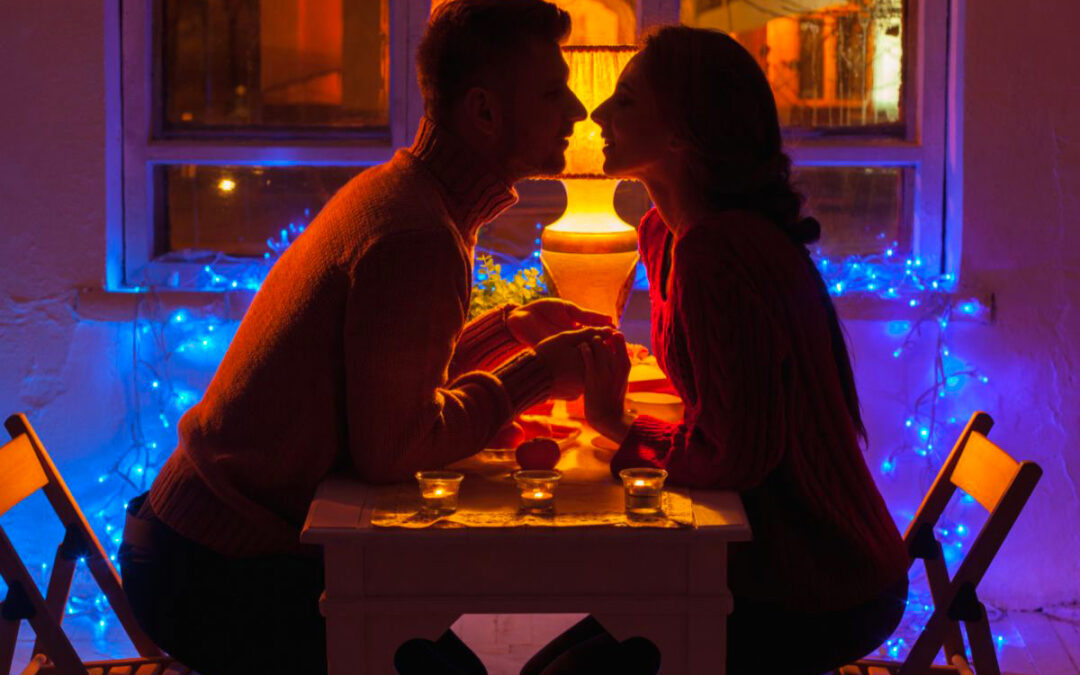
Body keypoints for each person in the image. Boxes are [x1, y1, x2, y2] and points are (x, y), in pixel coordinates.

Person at [119, 2, 617, 673]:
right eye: (553, 91)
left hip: (188, 536)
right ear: (485, 113)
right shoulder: (417, 234)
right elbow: (392, 448)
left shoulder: (407, 195)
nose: (578, 111)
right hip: (222, 569)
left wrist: (509, 331)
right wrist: (532, 375)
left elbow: (379, 386)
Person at [573, 26, 910, 674]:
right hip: (769, 560)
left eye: (626, 100)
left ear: (683, 132)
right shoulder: (667, 236)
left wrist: (616, 424)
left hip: (815, 580)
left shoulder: (719, 254)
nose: (598, 114)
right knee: (571, 643)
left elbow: (737, 455)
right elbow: (720, 409)